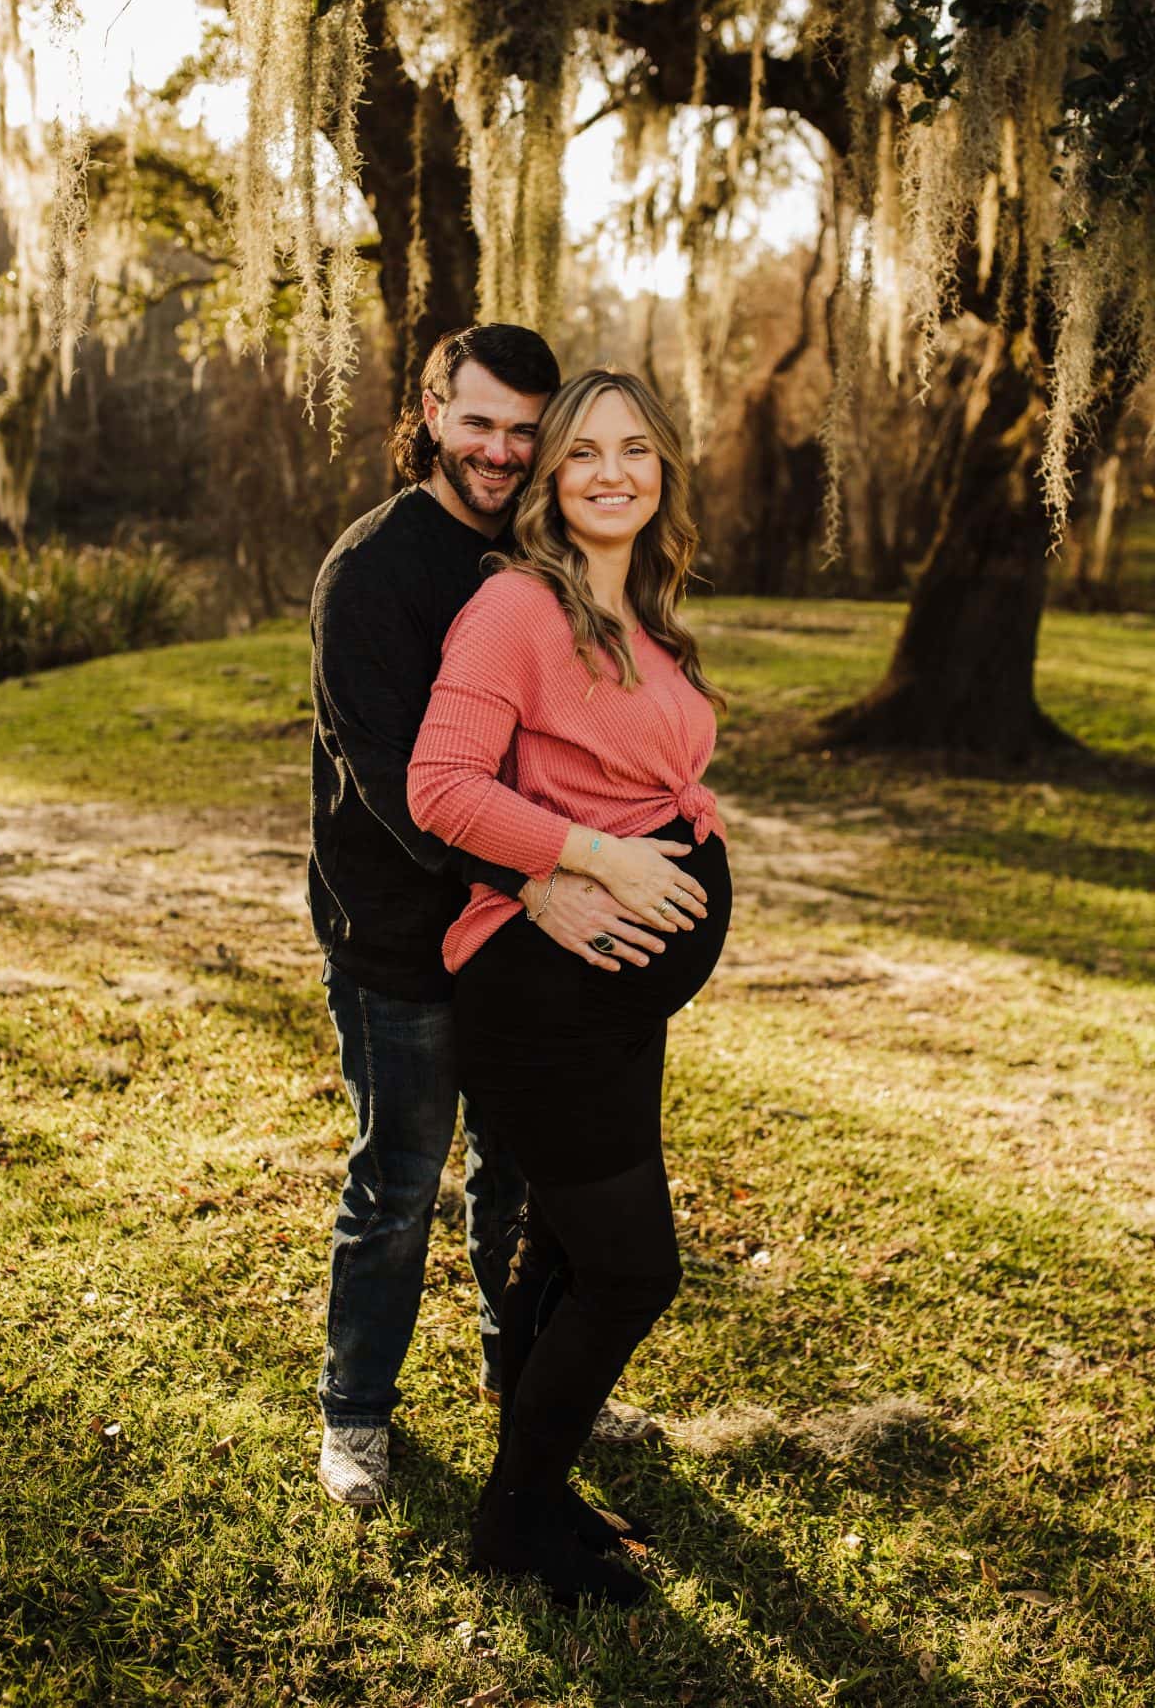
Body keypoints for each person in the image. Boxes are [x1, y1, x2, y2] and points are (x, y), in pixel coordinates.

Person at [310, 324, 674, 1510]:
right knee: (400, 1182)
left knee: (521, 1182)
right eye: (479, 423)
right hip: (401, 936)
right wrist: (535, 881)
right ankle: (357, 1415)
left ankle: (526, 1380)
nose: (503, 450)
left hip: (527, 949)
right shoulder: (370, 572)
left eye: (527, 430)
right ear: (429, 411)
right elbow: (395, 782)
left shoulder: (539, 557)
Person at [408, 368, 731, 1607]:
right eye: (583, 451)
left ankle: (537, 1499)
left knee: (561, 1249)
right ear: (549, 479)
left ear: (662, 474)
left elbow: (638, 774)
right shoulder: (517, 608)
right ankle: (512, 1523)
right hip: (541, 1001)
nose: (611, 472)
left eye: (635, 450)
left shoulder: (637, 606)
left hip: (613, 996)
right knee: (631, 1270)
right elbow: (441, 786)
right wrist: (591, 857)